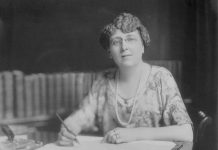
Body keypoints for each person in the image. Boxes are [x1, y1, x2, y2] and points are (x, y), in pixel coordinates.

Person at [58, 12, 193, 146]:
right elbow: (83, 115)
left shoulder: (161, 78)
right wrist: (70, 126)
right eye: (116, 42)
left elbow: (186, 133)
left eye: (130, 39)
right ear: (109, 51)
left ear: (142, 46)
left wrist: (134, 134)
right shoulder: (102, 81)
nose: (124, 47)